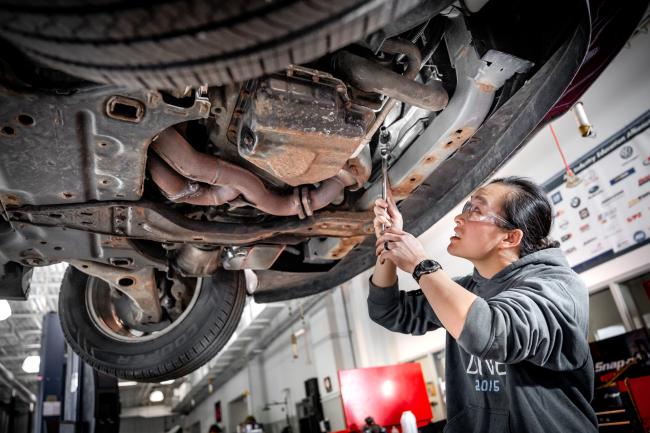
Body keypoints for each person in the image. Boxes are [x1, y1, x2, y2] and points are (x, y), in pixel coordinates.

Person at [368, 176, 597, 433]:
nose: (459, 218)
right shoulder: (466, 291)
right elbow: (388, 311)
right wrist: (388, 244)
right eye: (466, 207)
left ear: (510, 237)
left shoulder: (558, 287)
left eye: (476, 210)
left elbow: (492, 332)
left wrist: (422, 265)